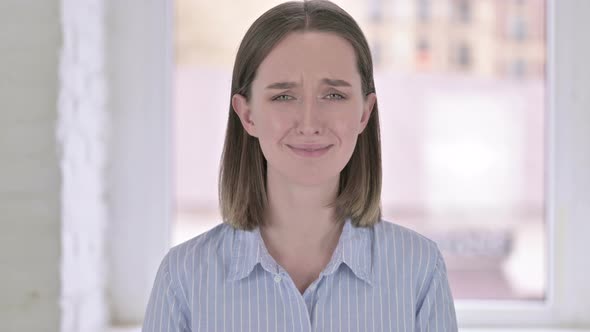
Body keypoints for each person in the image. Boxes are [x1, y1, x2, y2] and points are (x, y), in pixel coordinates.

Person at [142, 0, 458, 331]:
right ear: (247, 114)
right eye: (283, 96)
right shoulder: (183, 279)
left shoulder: (419, 270)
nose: (309, 124)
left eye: (333, 95)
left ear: (365, 113)